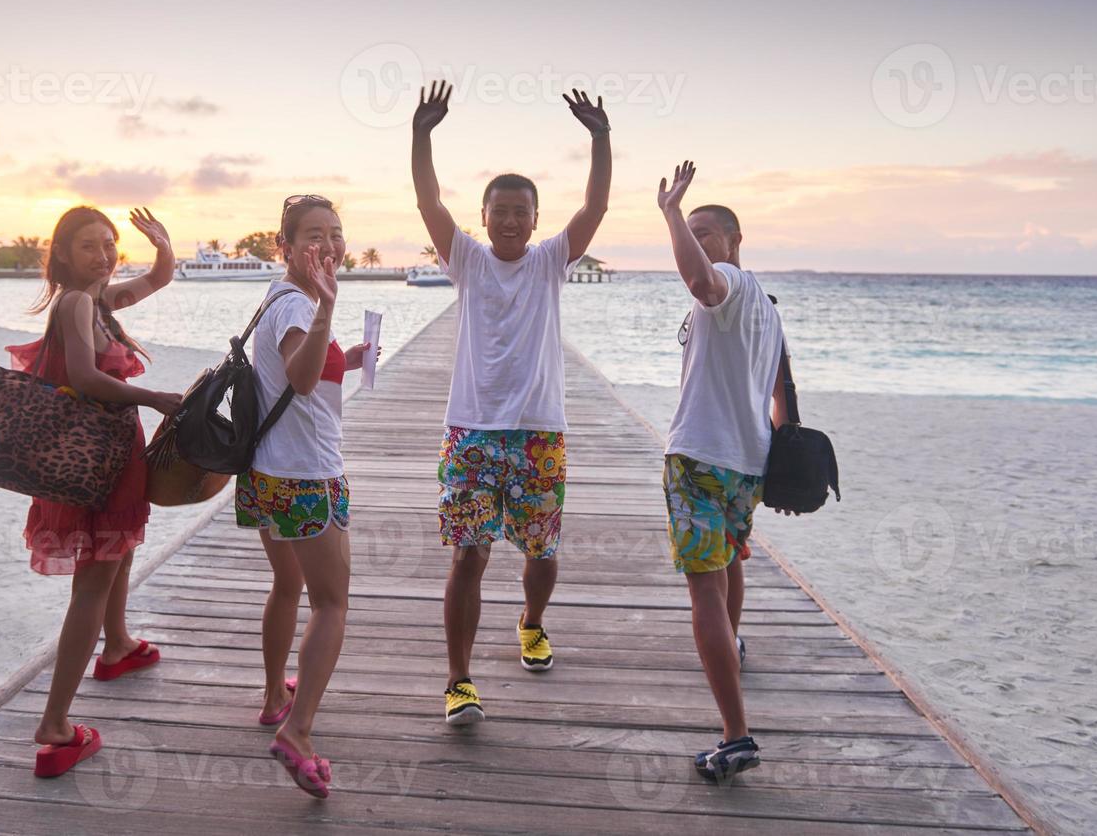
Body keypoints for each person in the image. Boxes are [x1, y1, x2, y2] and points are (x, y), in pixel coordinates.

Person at [411, 80, 612, 725]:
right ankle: (459, 681)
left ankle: (531, 622)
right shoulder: (465, 258)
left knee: (541, 551)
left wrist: (600, 138)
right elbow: (427, 198)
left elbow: (595, 206)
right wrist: (422, 136)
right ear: (485, 214)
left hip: (537, 432)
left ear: (533, 218)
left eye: (520, 210)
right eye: (498, 209)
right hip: (470, 429)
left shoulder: (550, 259)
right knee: (468, 554)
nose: (508, 219)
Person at [6, 206, 183, 779]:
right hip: (94, 454)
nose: (104, 255)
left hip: (110, 452)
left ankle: (120, 645)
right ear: (61, 256)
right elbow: (83, 377)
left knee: (120, 546)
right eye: (89, 246)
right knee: (93, 580)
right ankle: (55, 725)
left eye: (109, 244)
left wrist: (160, 245)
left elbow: (157, 280)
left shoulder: (99, 300)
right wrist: (154, 397)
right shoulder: (78, 302)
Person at [236, 194, 374, 799]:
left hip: (267, 471)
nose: (329, 244)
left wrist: (349, 354)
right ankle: (299, 730)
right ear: (285, 246)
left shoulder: (279, 294)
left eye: (336, 233)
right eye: (313, 234)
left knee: (288, 586)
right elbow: (298, 375)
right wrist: (329, 311)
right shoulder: (301, 303)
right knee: (332, 604)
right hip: (306, 476)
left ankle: (274, 696)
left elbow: (301, 372)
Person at [655, 161, 790, 781]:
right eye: (696, 229)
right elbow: (782, 389)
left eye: (710, 231)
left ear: (736, 242)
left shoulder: (731, 285)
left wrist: (671, 213)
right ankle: (731, 648)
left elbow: (698, 280)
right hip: (744, 464)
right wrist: (780, 446)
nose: (701, 238)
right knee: (730, 562)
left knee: (704, 588)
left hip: (703, 460)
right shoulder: (769, 303)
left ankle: (736, 736)